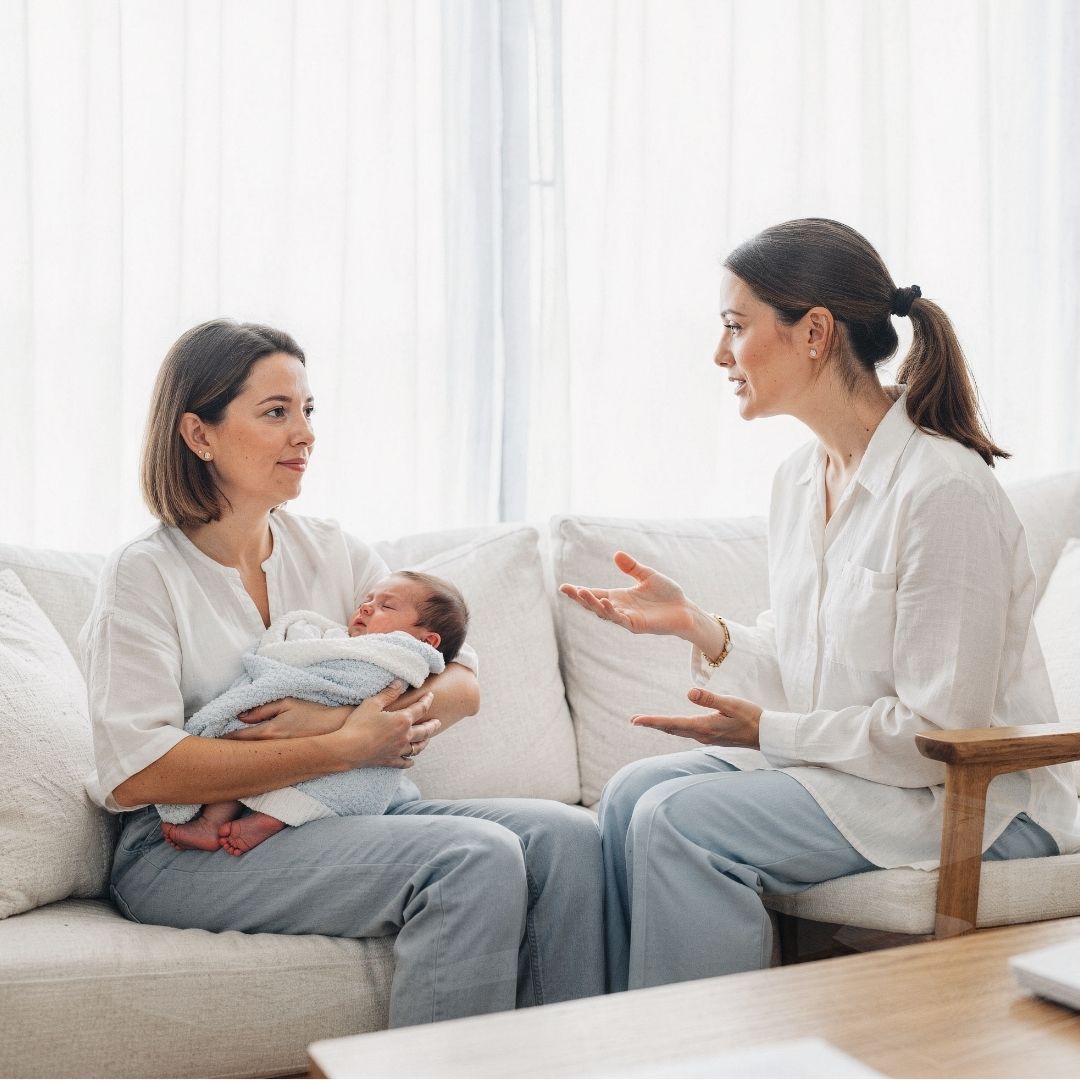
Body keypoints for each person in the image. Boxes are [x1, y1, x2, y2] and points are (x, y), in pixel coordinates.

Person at [560, 217, 1080, 992]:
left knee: (677, 820)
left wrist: (768, 730)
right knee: (632, 792)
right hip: (867, 782)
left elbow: (937, 734)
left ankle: (712, 1064)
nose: (719, 355)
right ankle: (618, 1048)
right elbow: (813, 667)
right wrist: (701, 626)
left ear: (814, 332)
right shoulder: (801, 480)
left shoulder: (944, 492)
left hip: (971, 801)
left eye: (736, 327)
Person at [81, 318, 604, 1027]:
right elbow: (138, 773)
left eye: (307, 410)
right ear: (199, 434)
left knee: (570, 841)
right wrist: (342, 747)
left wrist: (338, 723)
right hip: (180, 850)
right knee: (469, 857)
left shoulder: (330, 549)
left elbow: (462, 683)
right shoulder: (144, 575)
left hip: (346, 812)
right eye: (275, 413)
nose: (305, 434)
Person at [156, 571, 469, 856]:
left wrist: (333, 722)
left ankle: (265, 821)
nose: (366, 608)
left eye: (386, 606)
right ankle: (214, 821)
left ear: (427, 641)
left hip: (356, 762)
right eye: (367, 600)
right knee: (245, 747)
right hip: (277, 733)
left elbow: (466, 688)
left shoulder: (401, 657)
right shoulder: (343, 641)